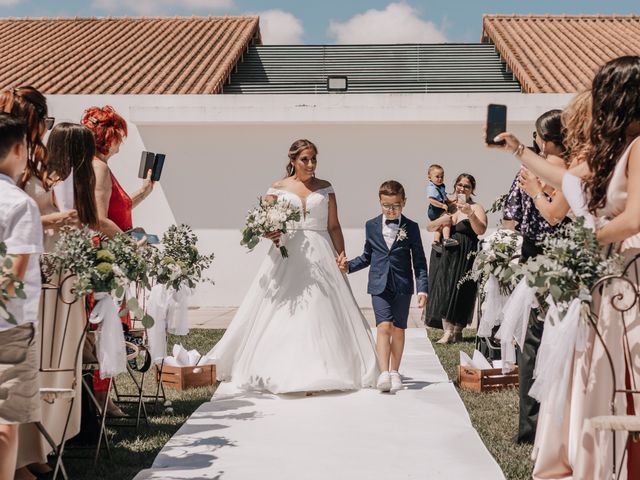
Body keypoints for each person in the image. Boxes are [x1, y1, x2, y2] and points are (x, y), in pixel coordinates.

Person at [491, 55, 640, 480]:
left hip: (626, 273)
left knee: (620, 364)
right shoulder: (620, 150)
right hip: (607, 274)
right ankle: (591, 455)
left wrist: (580, 245)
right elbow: (567, 182)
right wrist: (519, 150)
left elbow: (633, 219)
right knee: (595, 366)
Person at [206, 139, 378, 394]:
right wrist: (271, 233)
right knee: (284, 307)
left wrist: (341, 255)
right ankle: (279, 367)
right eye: (305, 159)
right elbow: (262, 225)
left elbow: (333, 226)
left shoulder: (326, 188)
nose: (310, 164)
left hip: (321, 251)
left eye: (313, 159)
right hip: (288, 252)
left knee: (322, 307)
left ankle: (327, 368)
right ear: (293, 161)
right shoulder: (277, 188)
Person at [17, 123, 98, 475]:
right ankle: (26, 455)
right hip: (42, 278)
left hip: (63, 276)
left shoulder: (55, 177)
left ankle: (42, 449)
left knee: (59, 365)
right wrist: (59, 219)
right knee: (40, 366)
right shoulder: (33, 174)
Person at [501, 109, 571, 445]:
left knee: (533, 342)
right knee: (559, 339)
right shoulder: (570, 170)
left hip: (535, 257)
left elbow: (511, 216)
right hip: (563, 254)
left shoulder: (528, 169)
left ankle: (530, 426)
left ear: (543, 139)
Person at [82, 105, 154, 416]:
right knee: (108, 328)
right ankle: (100, 399)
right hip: (106, 257)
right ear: (109, 137)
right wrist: (129, 243)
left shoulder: (98, 167)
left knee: (112, 327)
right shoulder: (98, 168)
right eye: (119, 136)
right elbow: (99, 219)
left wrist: (143, 192)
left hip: (111, 254)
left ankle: (103, 396)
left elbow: (116, 209)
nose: (121, 143)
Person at [338, 180, 428, 392]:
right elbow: (368, 255)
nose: (390, 210)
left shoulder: (411, 227)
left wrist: (422, 288)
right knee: (383, 326)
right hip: (379, 283)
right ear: (380, 202)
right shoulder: (371, 225)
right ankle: (384, 372)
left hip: (403, 284)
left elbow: (420, 262)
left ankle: (395, 371)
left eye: (395, 206)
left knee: (398, 329)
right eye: (386, 205)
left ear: (403, 203)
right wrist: (348, 267)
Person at [0, 114, 44, 480]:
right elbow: (13, 273)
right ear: (18, 149)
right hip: (9, 327)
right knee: (4, 423)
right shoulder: (18, 203)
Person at [424, 174, 487, 343]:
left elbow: (481, 230)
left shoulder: (476, 207)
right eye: (460, 185)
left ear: (472, 189)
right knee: (445, 289)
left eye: (467, 186)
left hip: (467, 253)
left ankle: (458, 330)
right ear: (455, 186)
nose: (462, 188)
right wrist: (443, 219)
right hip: (448, 254)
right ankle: (447, 331)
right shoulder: (448, 206)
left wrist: (470, 214)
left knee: (463, 291)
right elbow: (429, 227)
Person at [426, 164, 457, 252]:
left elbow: (443, 196)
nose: (440, 179)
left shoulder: (441, 186)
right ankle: (446, 239)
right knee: (447, 221)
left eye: (442, 177)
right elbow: (431, 200)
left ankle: (436, 241)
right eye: (437, 176)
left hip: (437, 209)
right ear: (429, 177)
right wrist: (442, 205)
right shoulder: (431, 187)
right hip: (435, 209)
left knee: (439, 226)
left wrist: (450, 201)